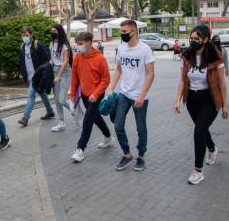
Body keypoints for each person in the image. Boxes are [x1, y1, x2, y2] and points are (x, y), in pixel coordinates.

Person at [173, 25, 229, 185]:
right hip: (191, 100)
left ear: (205, 40)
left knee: (198, 131)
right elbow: (183, 80)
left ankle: (198, 171)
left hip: (210, 99)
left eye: (196, 39)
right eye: (191, 38)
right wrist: (177, 100)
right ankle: (212, 148)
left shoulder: (215, 57)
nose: (192, 41)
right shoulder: (187, 56)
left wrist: (224, 105)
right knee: (202, 129)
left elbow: (222, 84)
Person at [107, 20, 155, 171]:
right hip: (123, 94)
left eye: (124, 32)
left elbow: (151, 74)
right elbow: (119, 70)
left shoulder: (145, 49)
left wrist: (141, 95)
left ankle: (141, 156)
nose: (122, 35)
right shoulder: (121, 48)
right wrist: (111, 87)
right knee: (118, 125)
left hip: (139, 96)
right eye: (120, 32)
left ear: (133, 31)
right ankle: (127, 154)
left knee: (141, 128)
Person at [70, 32, 113, 162]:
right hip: (84, 94)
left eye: (81, 44)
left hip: (97, 95)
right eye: (77, 44)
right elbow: (75, 76)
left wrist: (96, 93)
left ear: (89, 42)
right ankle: (108, 137)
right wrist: (72, 93)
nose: (78, 47)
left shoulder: (100, 58)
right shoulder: (77, 57)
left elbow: (106, 79)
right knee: (95, 117)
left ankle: (80, 149)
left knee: (88, 119)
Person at [18, 27, 55, 126]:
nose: (25, 37)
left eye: (26, 35)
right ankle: (50, 111)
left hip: (38, 76)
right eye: (23, 35)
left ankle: (25, 118)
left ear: (31, 35)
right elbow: (22, 62)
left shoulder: (37, 45)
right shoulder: (22, 46)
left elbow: (47, 61)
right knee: (41, 93)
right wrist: (24, 76)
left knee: (31, 95)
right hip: (29, 76)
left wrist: (43, 75)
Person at [49, 24, 73, 132]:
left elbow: (65, 61)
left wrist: (58, 76)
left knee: (62, 99)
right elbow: (52, 59)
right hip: (55, 71)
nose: (52, 32)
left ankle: (73, 110)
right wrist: (49, 65)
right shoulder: (51, 44)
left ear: (59, 32)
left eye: (54, 31)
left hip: (65, 72)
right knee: (57, 100)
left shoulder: (64, 45)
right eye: (52, 30)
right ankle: (61, 123)